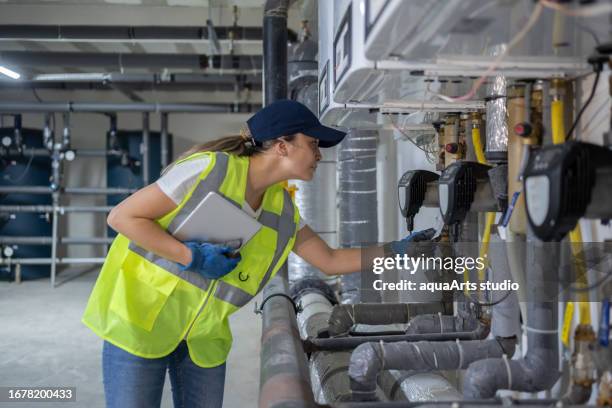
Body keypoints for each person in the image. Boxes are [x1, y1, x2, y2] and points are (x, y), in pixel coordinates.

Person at [82, 99, 433, 408]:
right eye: (313, 143)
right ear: (282, 145)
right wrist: (192, 257)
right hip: (139, 320)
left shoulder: (282, 212)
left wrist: (397, 249)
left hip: (203, 338)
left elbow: (330, 260)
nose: (319, 154)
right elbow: (122, 216)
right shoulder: (209, 169)